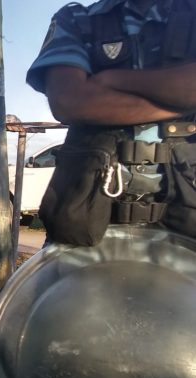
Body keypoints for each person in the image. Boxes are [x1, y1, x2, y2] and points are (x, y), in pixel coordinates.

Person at [28, 0, 196, 245]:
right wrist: (180, 102)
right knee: (63, 283)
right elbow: (68, 101)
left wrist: (112, 79)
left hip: (186, 211)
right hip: (87, 214)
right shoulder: (76, 18)